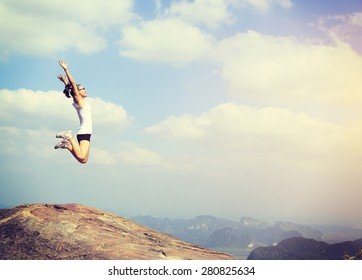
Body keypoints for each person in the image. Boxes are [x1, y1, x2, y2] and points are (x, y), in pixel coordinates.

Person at [55, 60, 92, 164]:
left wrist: (65, 82)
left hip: (86, 133)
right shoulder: (79, 101)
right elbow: (73, 85)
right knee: (81, 156)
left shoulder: (79, 101)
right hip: (84, 132)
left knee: (83, 160)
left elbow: (71, 88)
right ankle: (69, 137)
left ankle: (67, 145)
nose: (85, 89)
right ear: (78, 93)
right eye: (82, 89)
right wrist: (66, 69)